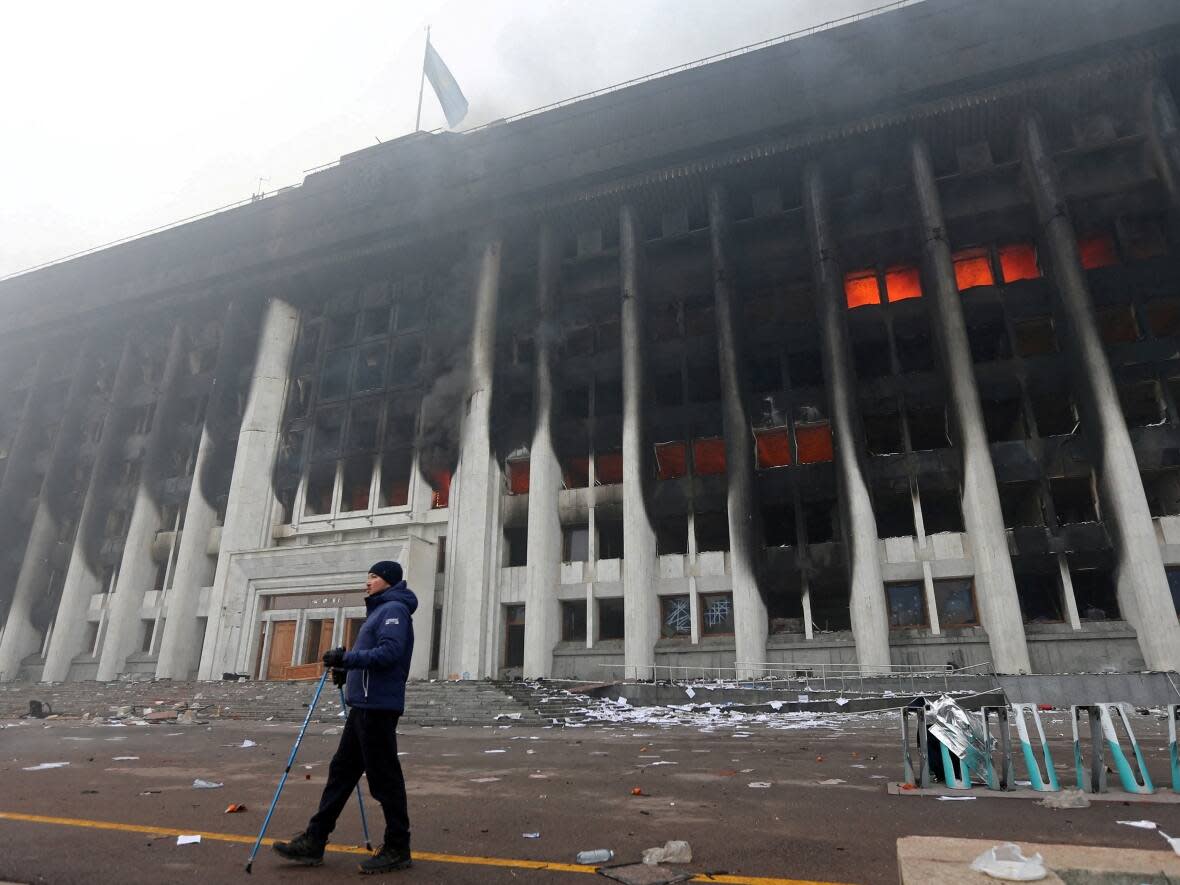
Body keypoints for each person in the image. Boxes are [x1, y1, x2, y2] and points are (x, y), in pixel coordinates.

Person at [273, 560, 417, 874]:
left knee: (384, 778)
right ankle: (315, 839)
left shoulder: (394, 610)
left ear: (388, 581)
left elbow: (390, 653)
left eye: (373, 577)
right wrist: (345, 669)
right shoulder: (380, 610)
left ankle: (397, 846)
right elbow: (372, 656)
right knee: (341, 773)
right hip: (362, 706)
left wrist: (348, 659)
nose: (367, 583)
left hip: (377, 707)